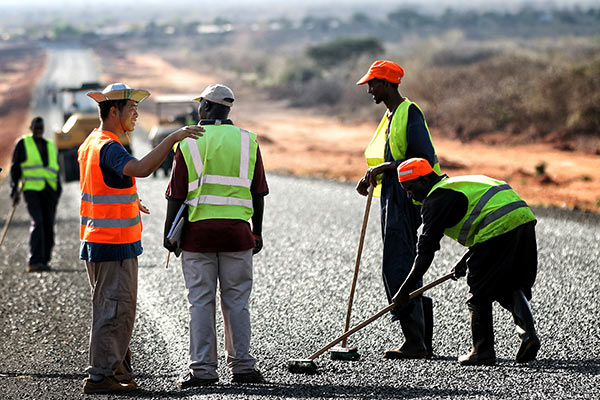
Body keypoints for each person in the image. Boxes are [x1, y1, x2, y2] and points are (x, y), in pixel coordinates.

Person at [79, 83, 204, 394]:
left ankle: (116, 368)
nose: (135, 114)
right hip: (113, 242)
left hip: (99, 239)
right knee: (115, 308)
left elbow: (102, 188)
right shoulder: (109, 145)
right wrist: (171, 138)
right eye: (131, 109)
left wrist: (131, 202)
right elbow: (142, 169)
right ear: (113, 112)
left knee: (113, 307)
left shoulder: (91, 143)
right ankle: (101, 376)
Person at [163, 84, 268, 389]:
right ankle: (243, 367)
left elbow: (176, 194)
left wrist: (170, 233)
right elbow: (258, 192)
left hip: (198, 237)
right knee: (237, 301)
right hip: (237, 235)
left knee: (200, 302)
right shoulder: (248, 141)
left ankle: (203, 371)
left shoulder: (188, 142)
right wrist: (256, 231)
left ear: (206, 108)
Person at [392, 158, 540, 365]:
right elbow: (484, 215)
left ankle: (482, 351)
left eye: (410, 187)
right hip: (523, 219)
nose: (409, 194)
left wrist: (404, 291)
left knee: (478, 292)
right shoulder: (456, 185)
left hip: (498, 229)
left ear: (424, 180)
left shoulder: (435, 200)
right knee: (510, 284)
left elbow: (425, 252)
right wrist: (465, 258)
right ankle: (528, 336)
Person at [355, 60, 441, 359]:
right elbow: (389, 158)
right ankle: (420, 341)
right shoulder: (390, 116)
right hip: (392, 194)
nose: (369, 90)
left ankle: (415, 341)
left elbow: (421, 160)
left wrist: (382, 169)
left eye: (373, 84)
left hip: (407, 197)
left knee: (397, 264)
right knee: (401, 261)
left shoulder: (409, 112)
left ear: (388, 84)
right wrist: (373, 174)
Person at [9, 116, 61, 272]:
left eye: (41, 127)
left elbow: (56, 170)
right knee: (38, 222)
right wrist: (14, 190)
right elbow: (15, 169)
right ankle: (34, 260)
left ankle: (44, 260)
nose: (38, 129)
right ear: (31, 128)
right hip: (31, 189)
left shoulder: (50, 145)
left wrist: (57, 190)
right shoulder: (23, 143)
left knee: (48, 224)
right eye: (36, 127)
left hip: (49, 191)